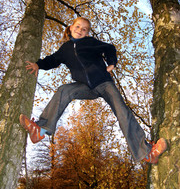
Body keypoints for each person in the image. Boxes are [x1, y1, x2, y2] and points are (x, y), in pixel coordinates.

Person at [20, 17, 167, 164]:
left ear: (87, 33)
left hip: (104, 83)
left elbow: (109, 48)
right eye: (78, 27)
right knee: (64, 90)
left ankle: (146, 153)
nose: (80, 30)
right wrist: (38, 65)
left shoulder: (90, 42)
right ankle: (41, 130)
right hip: (85, 87)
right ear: (71, 28)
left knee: (121, 110)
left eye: (84, 29)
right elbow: (53, 59)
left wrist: (111, 63)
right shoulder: (65, 49)